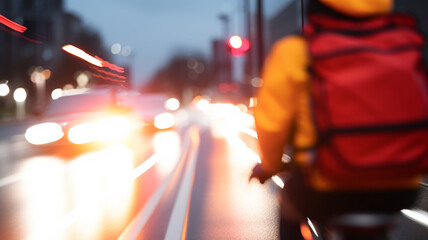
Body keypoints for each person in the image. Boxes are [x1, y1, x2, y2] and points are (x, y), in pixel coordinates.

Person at [249, 0, 425, 239]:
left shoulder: (296, 51)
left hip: (328, 187)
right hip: (402, 186)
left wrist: (270, 165)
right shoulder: (408, 44)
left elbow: (271, 123)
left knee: (289, 203)